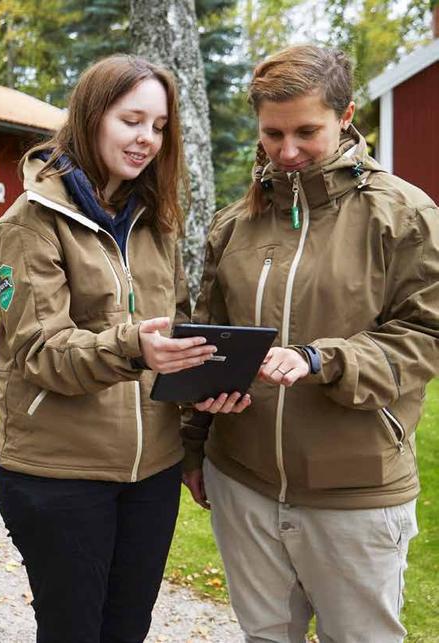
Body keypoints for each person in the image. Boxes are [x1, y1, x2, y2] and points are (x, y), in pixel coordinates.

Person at [181, 44, 439, 642]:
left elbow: (426, 335)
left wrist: (323, 358)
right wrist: (195, 446)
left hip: (356, 493)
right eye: (272, 133)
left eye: (306, 131)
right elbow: (209, 337)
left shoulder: (403, 215)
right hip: (242, 481)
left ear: (346, 116)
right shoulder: (234, 224)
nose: (287, 151)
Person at [0, 54, 231, 643]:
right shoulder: (29, 225)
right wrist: (136, 348)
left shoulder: (154, 220)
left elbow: (172, 331)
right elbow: (42, 353)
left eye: (159, 125)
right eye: (132, 120)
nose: (147, 138)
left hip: (152, 473)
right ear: (92, 116)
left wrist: (202, 401)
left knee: (127, 630)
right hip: (58, 474)